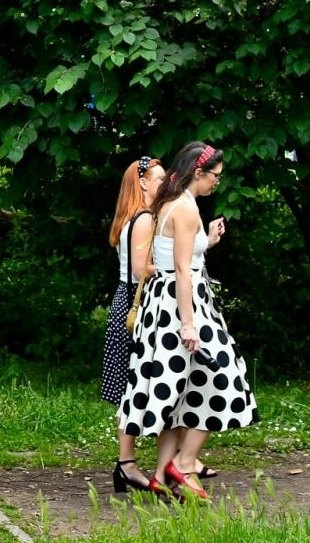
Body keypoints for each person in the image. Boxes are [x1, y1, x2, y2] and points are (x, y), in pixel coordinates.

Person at [119, 142, 253, 499]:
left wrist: (205, 242)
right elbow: (181, 270)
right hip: (182, 305)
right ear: (198, 172)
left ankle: (164, 476)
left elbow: (177, 257)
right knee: (225, 375)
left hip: (166, 305)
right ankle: (185, 461)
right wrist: (189, 325)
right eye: (215, 177)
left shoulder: (171, 203)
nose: (216, 184)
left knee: (178, 394)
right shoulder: (186, 208)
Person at [102, 157, 169, 493]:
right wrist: (177, 267)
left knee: (135, 386)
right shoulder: (143, 220)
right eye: (159, 177)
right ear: (142, 183)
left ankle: (128, 463)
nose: (165, 181)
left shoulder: (133, 218)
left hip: (124, 302)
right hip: (136, 306)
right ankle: (129, 464)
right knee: (138, 386)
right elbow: (143, 269)